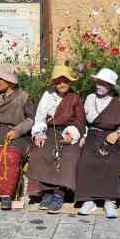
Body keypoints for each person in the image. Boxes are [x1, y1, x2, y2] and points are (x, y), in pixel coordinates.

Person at [27, 65, 86, 214]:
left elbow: (80, 122)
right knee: (40, 152)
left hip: (69, 133)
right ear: (54, 83)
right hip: (49, 131)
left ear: (70, 82)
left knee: (70, 156)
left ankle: (60, 193)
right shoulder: (47, 95)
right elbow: (39, 117)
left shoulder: (75, 98)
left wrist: (71, 135)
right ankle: (46, 191)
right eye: (58, 81)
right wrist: (39, 133)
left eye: (64, 81)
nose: (61, 84)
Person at [0, 63, 35, 210]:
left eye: (0, 78)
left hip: (17, 135)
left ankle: (7, 194)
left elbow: (31, 119)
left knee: (10, 155)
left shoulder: (24, 97)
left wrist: (17, 130)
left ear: (9, 82)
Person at [75, 68, 120, 218]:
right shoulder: (89, 98)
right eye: (98, 82)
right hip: (92, 136)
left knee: (112, 162)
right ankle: (88, 200)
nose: (100, 86)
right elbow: (83, 121)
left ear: (111, 86)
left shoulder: (119, 104)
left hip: (111, 138)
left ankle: (110, 201)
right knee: (86, 161)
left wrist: (118, 133)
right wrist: (83, 135)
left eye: (104, 84)